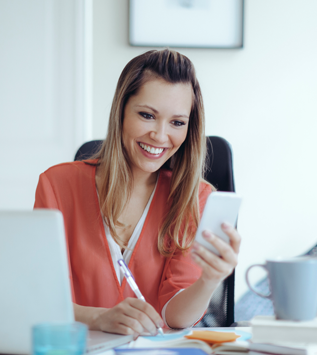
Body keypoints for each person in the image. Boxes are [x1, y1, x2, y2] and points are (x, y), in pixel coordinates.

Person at [34, 49, 240, 335]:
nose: (159, 135)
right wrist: (97, 318)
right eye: (147, 115)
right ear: (121, 111)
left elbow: (176, 316)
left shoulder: (196, 198)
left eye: (177, 122)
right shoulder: (57, 185)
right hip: (74, 354)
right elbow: (42, 299)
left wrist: (209, 281)